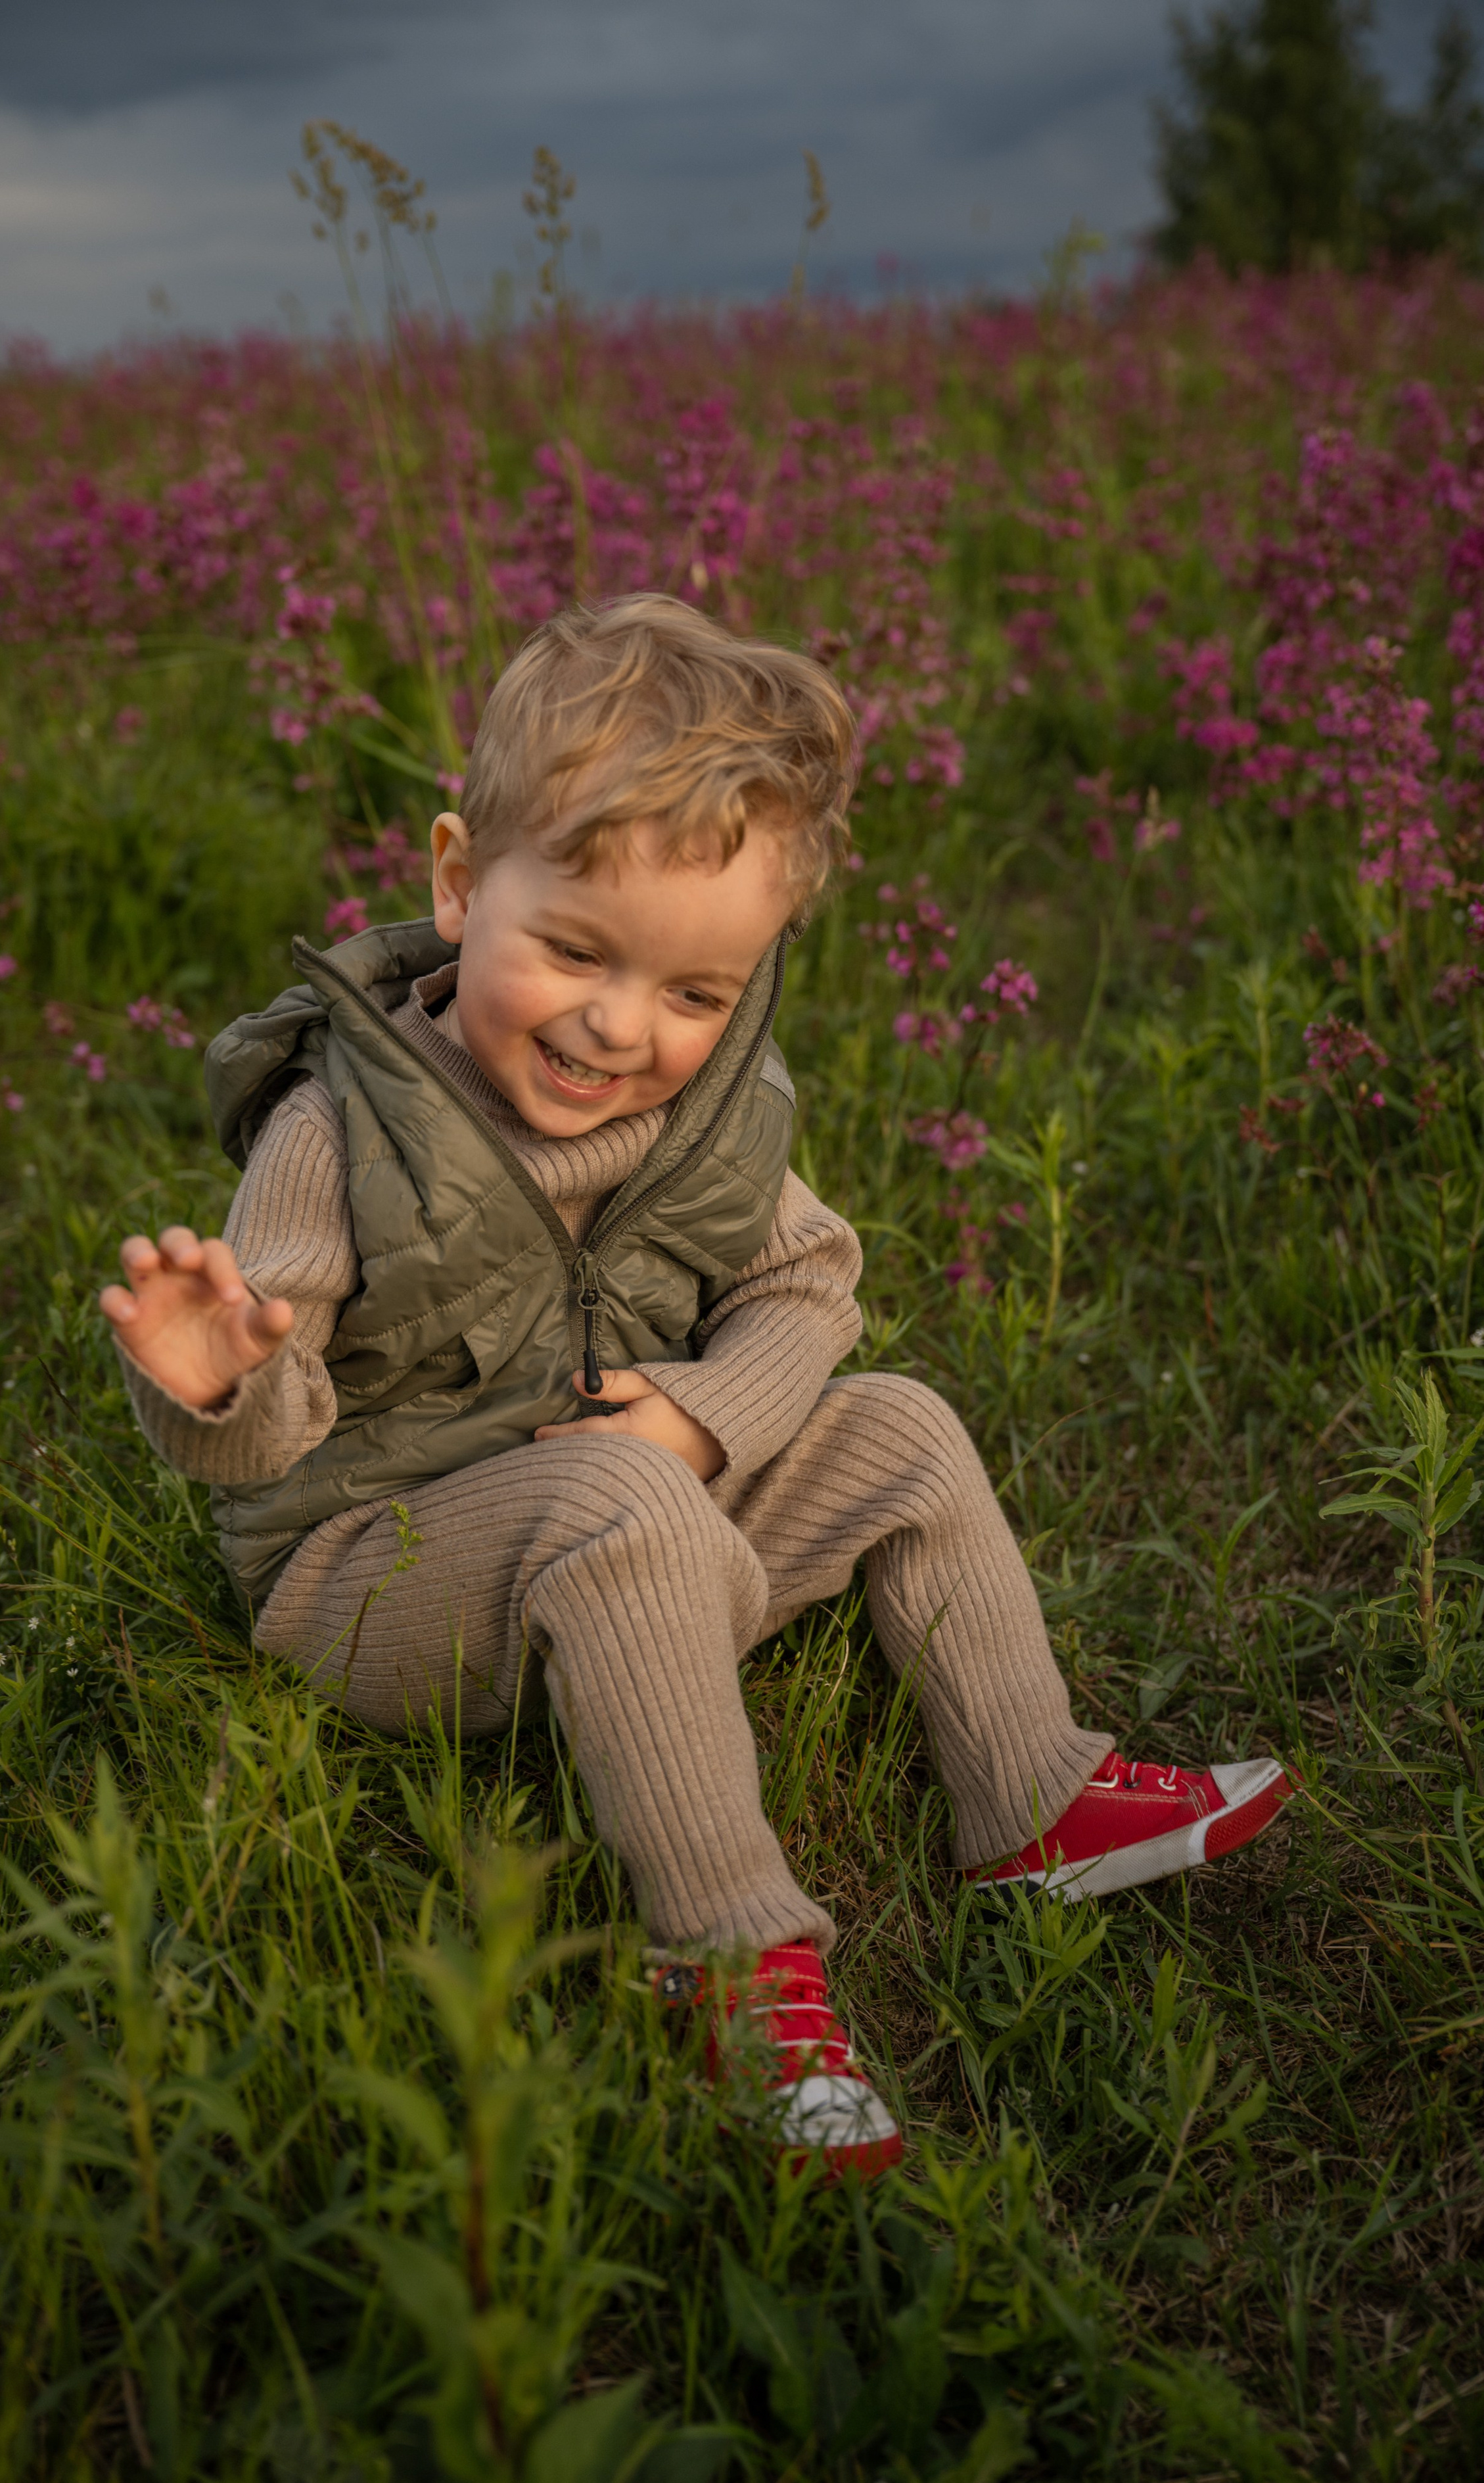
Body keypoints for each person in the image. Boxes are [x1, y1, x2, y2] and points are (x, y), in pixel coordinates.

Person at [99, 593, 1295, 2182]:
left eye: (694, 995)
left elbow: (807, 1284)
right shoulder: (347, 1135)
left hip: (639, 1530)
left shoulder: (714, 1113)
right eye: (575, 953)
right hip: (375, 1574)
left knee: (900, 1423)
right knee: (617, 1494)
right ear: (460, 885)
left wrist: (707, 1417)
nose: (619, 1027)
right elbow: (264, 1438)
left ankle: (1030, 1795)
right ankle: (729, 1961)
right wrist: (215, 1383)